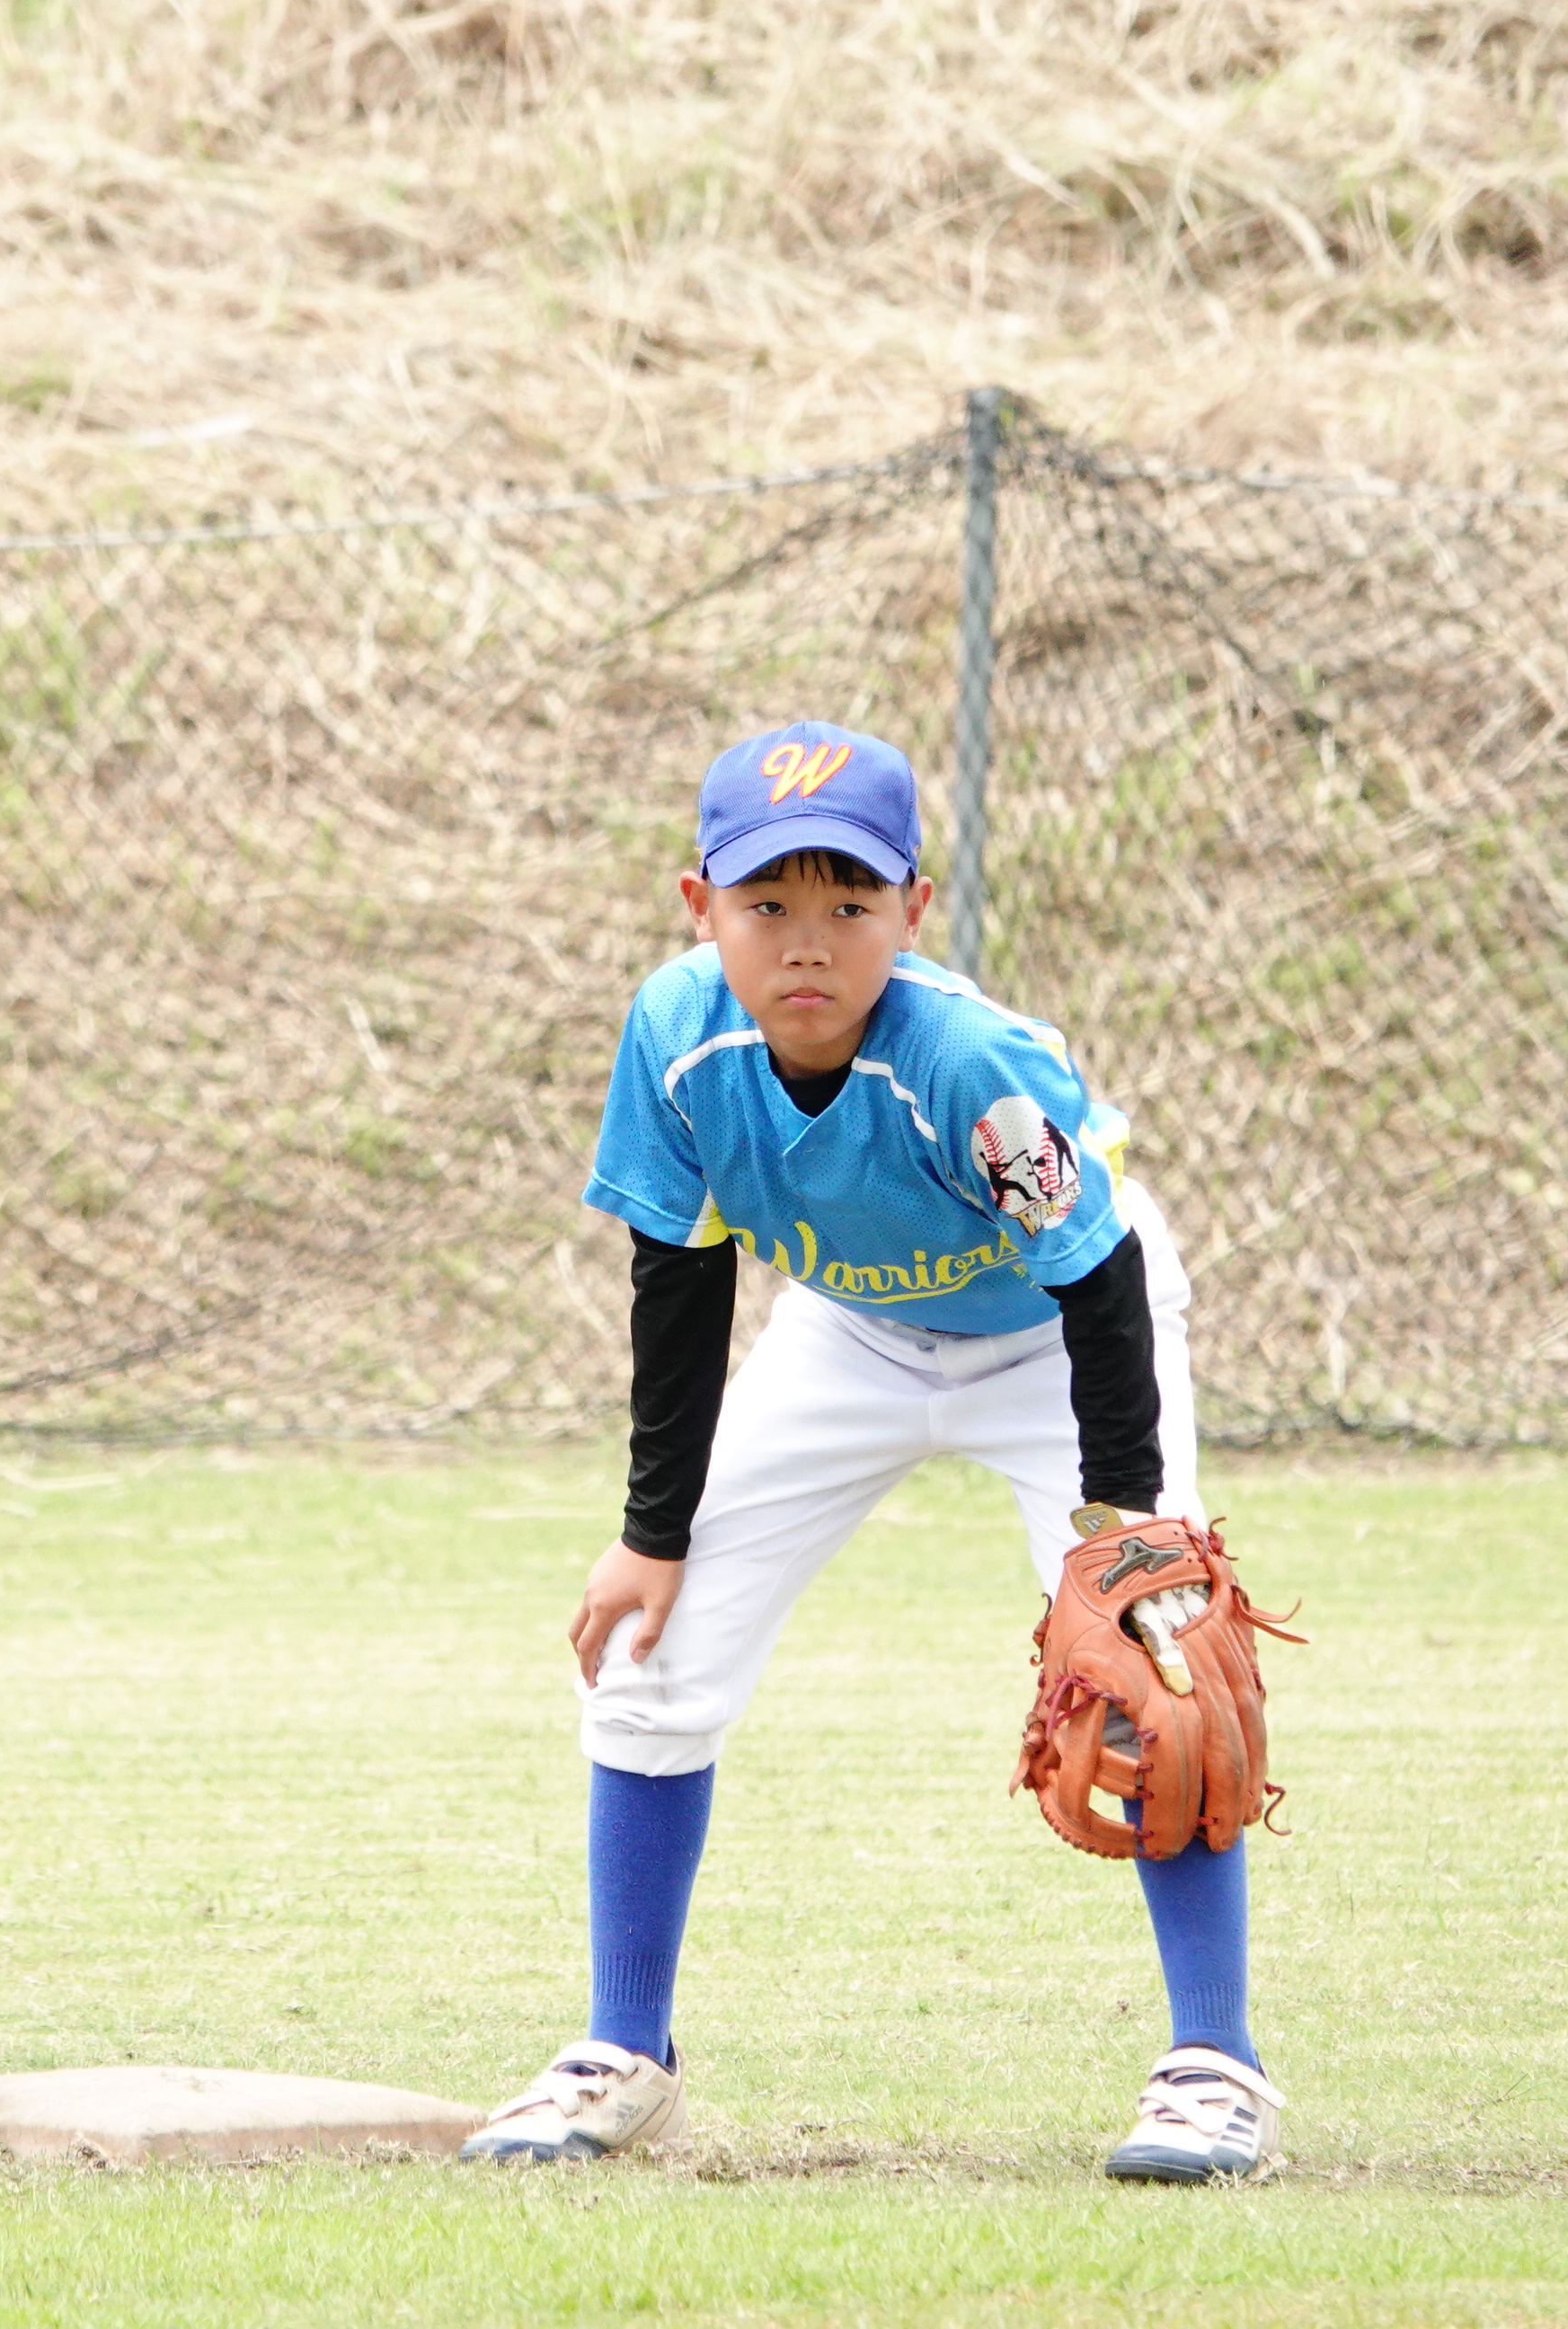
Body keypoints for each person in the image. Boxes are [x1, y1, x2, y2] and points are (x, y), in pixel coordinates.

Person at [457, 722, 1281, 2181]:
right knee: (651, 1648)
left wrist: (1125, 1532)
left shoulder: (969, 1063)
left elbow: (1096, 1279)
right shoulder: (678, 1035)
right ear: (698, 906)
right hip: (849, 1333)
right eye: (766, 902)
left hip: (1057, 1340)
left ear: (913, 909)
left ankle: (1215, 2069)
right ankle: (624, 2052)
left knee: (1163, 1670)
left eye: (850, 901)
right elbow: (680, 1275)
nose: (807, 940)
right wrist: (653, 1532)